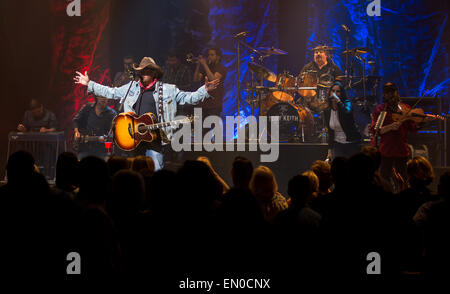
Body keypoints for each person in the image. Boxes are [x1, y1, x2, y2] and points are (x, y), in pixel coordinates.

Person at [74, 56, 219, 170]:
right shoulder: (131, 87)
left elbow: (189, 98)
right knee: (135, 173)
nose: (143, 73)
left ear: (154, 73)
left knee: (154, 172)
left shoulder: (168, 89)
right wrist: (89, 83)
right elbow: (110, 92)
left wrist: (204, 90)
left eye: (146, 70)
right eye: (141, 70)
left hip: (155, 140)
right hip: (134, 139)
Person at [370, 82, 435, 191]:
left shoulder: (405, 108)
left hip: (401, 150)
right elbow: (375, 131)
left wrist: (423, 122)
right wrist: (390, 127)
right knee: (384, 180)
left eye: (392, 92)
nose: (390, 95)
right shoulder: (380, 110)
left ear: (396, 93)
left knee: (403, 180)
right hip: (386, 151)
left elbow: (413, 128)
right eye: (387, 92)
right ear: (384, 95)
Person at [323, 81, 361, 160]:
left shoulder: (347, 103)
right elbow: (330, 131)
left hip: (351, 143)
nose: (335, 93)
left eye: (338, 91)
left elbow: (347, 113)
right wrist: (329, 150)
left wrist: (339, 102)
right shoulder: (327, 111)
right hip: (337, 144)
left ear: (341, 94)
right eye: (333, 91)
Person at [193, 47, 227, 118]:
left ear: (218, 57)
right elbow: (196, 79)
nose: (209, 57)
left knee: (213, 128)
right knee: (199, 128)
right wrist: (198, 65)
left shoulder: (222, 68)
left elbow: (213, 80)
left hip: (214, 105)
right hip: (202, 103)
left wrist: (204, 65)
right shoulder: (206, 68)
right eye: (208, 55)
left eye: (212, 55)